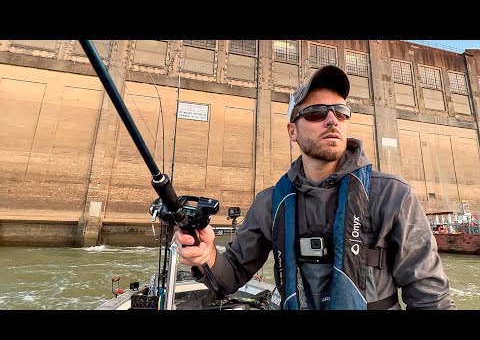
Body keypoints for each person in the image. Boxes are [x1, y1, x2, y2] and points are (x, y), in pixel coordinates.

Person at [174, 65, 456, 310]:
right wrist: (206, 255)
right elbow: (230, 275)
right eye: (316, 112)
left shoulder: (393, 195)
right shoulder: (270, 203)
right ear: (292, 131)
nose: (332, 119)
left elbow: (431, 297)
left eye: (340, 112)